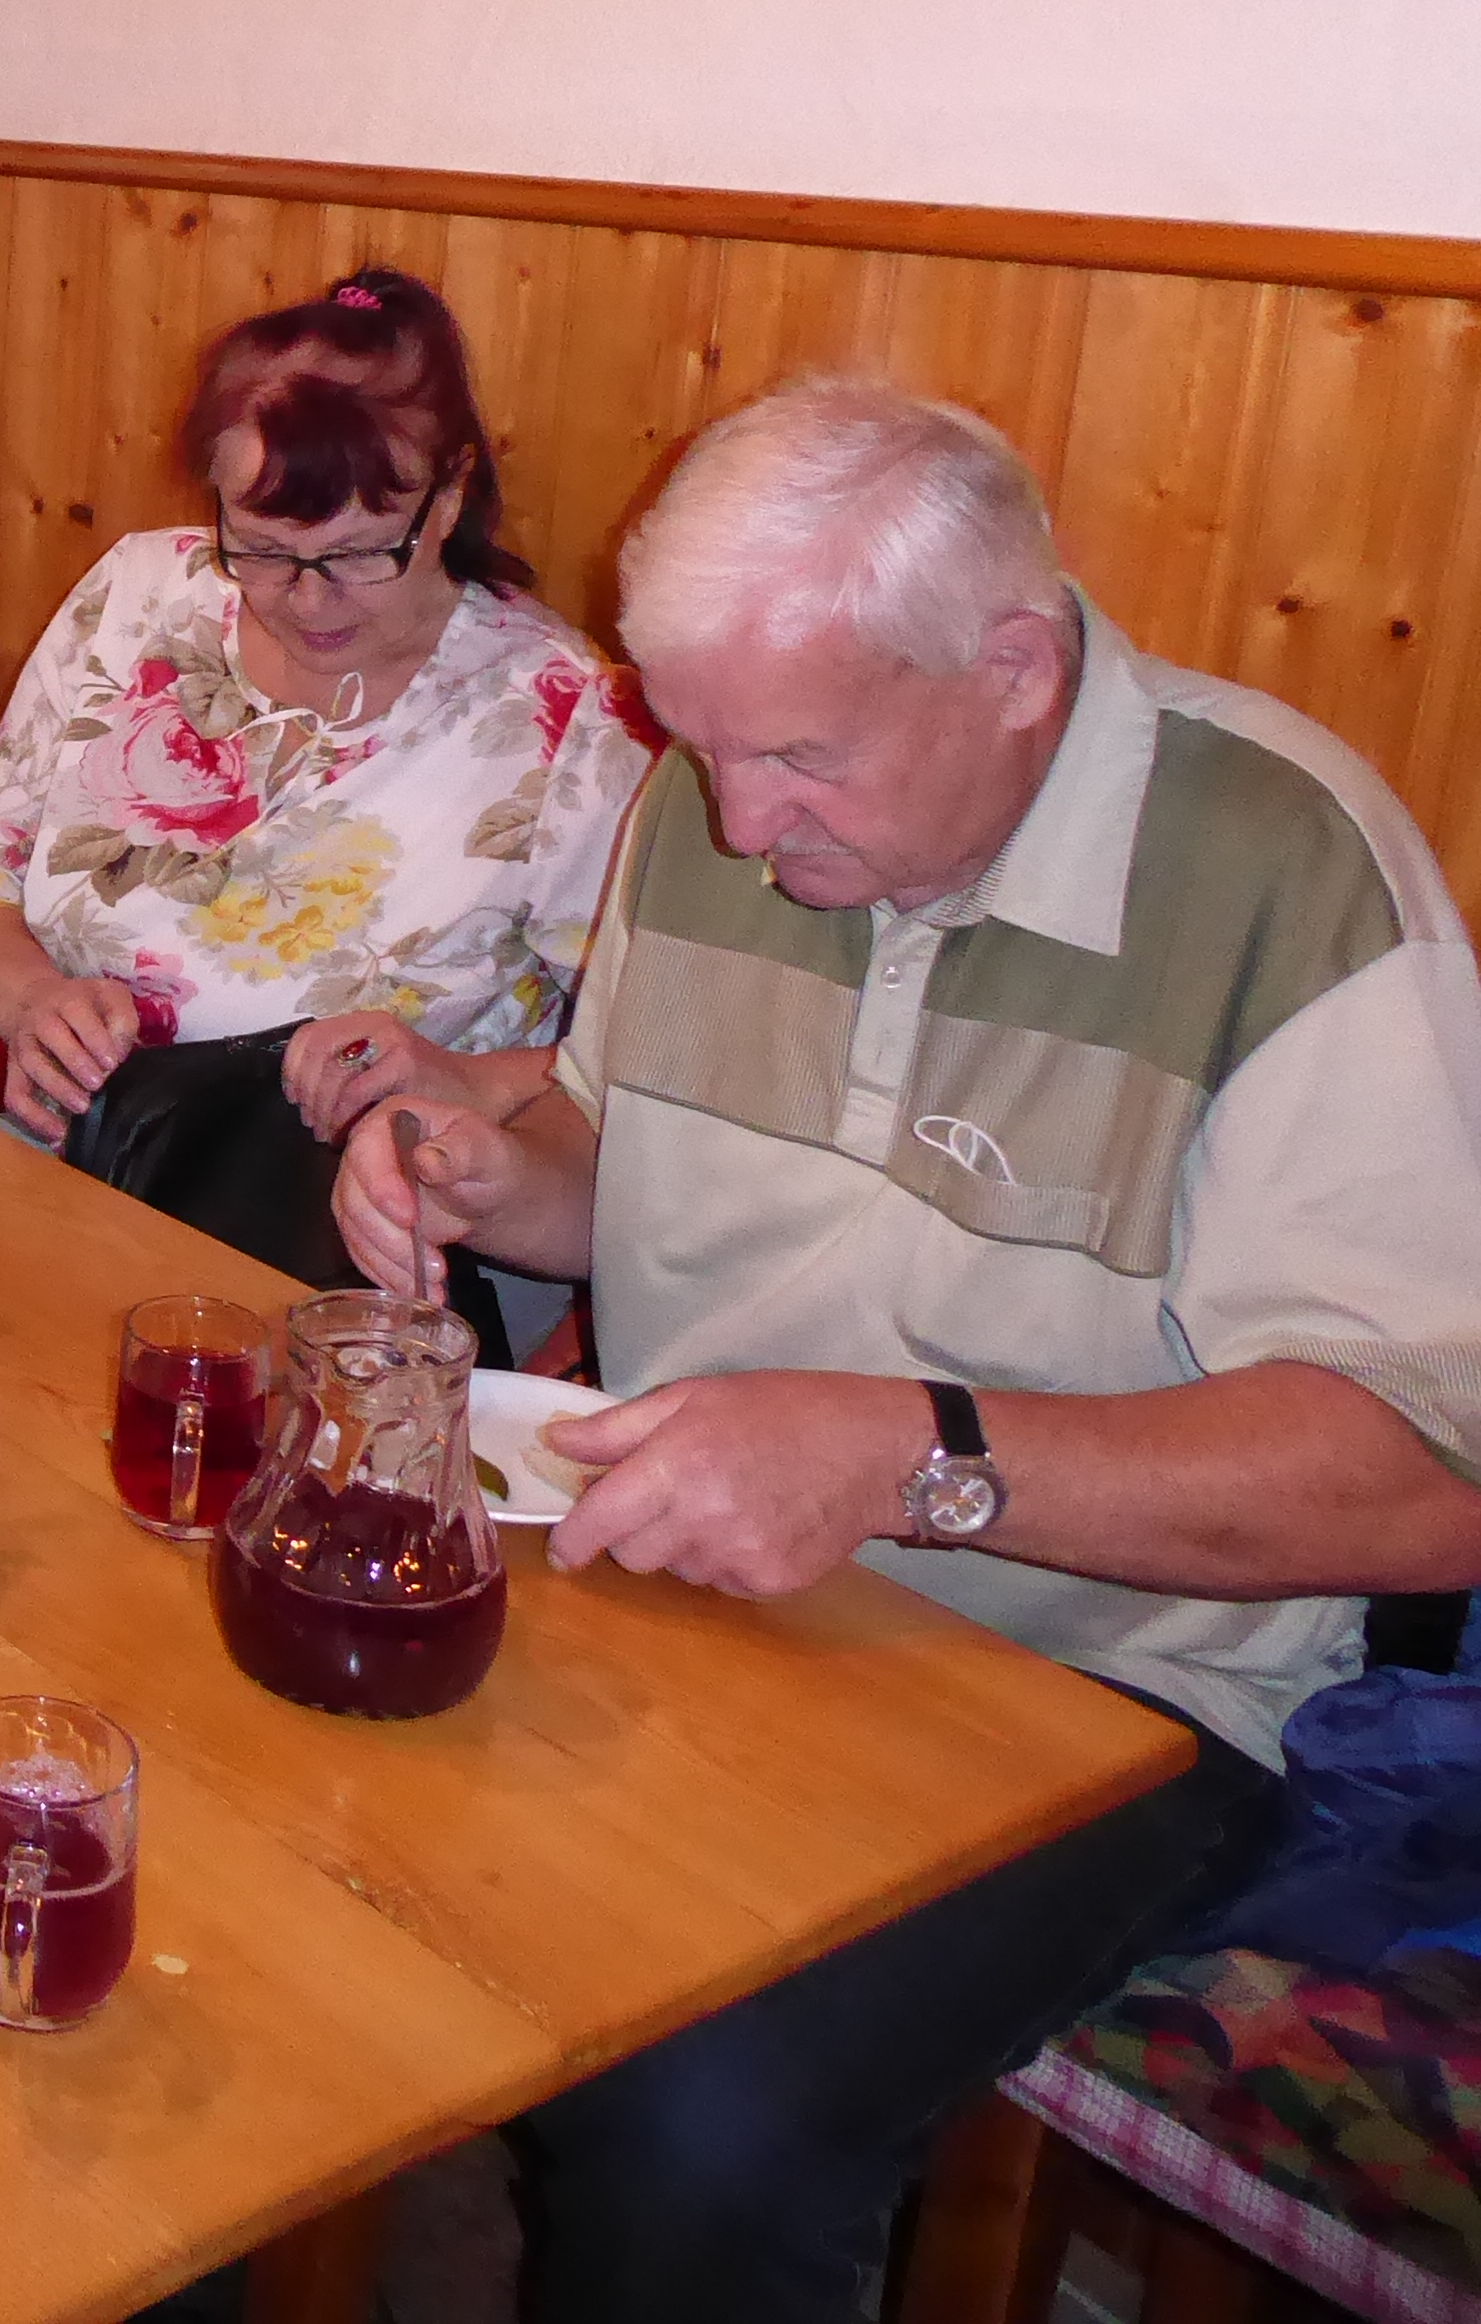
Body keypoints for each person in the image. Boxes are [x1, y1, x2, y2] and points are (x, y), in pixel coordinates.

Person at [334, 377, 1481, 2324]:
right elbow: (609, 1169)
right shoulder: (720, 804)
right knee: (250, 1820)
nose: (730, 820)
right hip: (679, 1585)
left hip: (1099, 1692)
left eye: (797, 757)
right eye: (694, 744)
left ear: (1012, 669)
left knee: (693, 2124)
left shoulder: (1283, 874)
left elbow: (1422, 1479)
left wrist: (899, 1454)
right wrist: (482, 1169)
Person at [0, 268, 652, 1271]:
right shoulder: (141, 593)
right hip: (58, 1186)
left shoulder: (567, 722)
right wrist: (29, 998)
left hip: (323, 1251)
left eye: (357, 553)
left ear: (449, 495)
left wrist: (465, 1079)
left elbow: (640, 1071)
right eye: (259, 548)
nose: (305, 600)